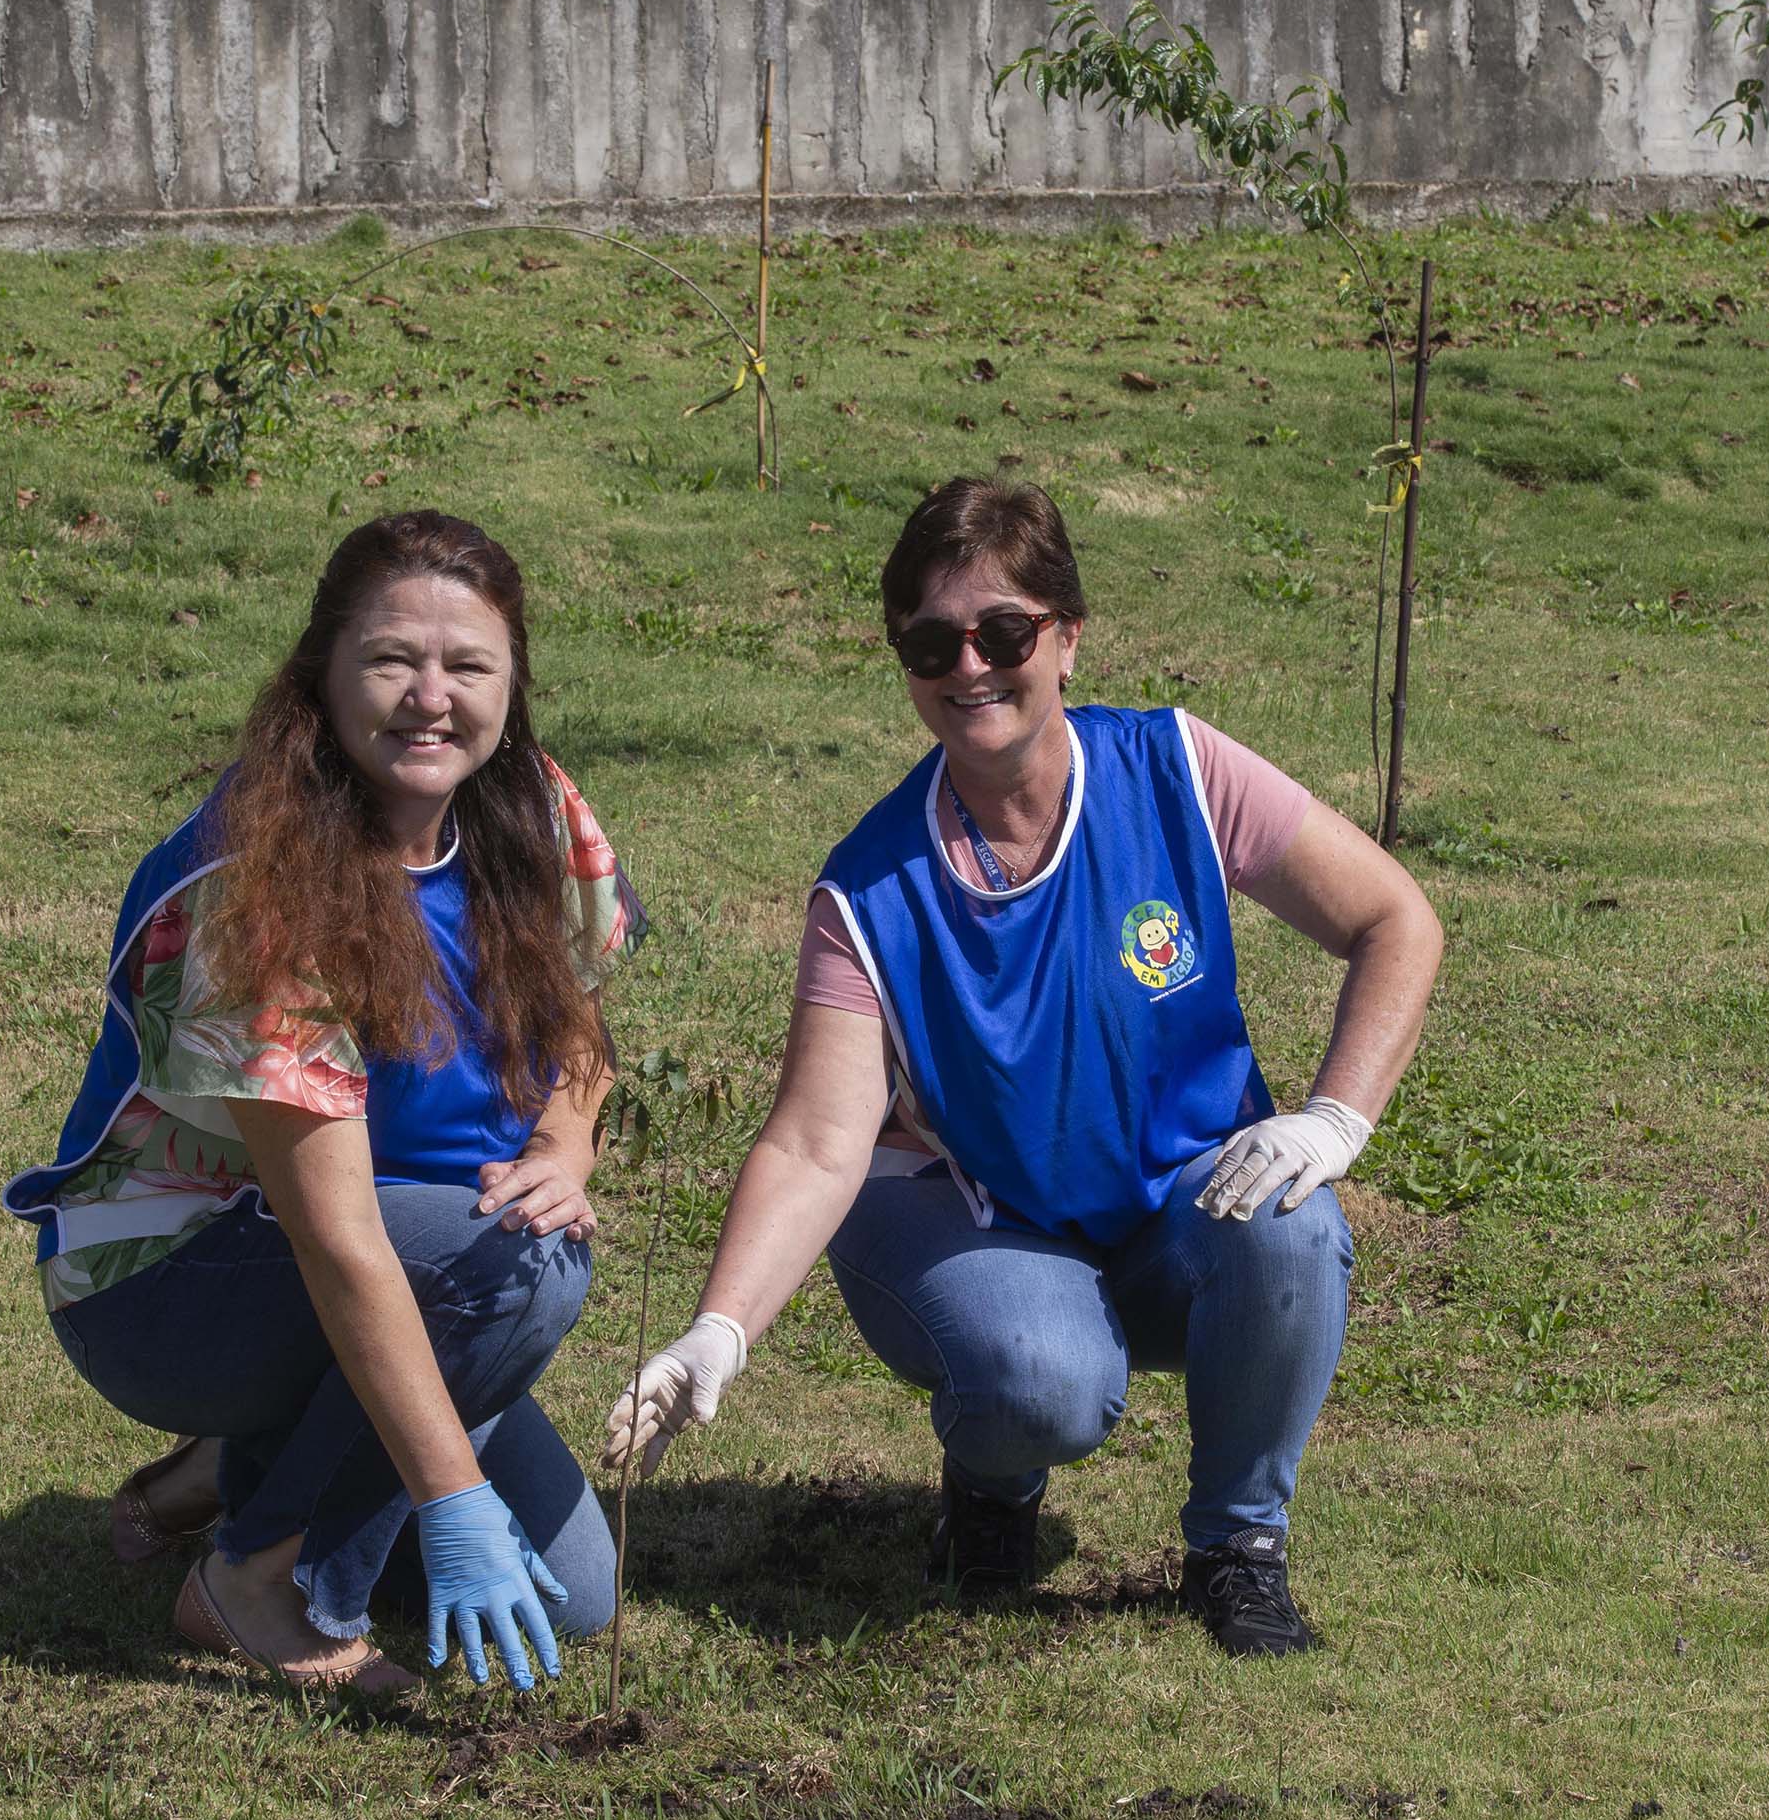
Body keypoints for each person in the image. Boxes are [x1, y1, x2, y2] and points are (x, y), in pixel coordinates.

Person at [604, 478, 1440, 1658]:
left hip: (1172, 1204)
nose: (970, 666)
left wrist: (1335, 1119)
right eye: (931, 642)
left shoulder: (1176, 767)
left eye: (1003, 632)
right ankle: (994, 1479)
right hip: (971, 1216)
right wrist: (718, 1331)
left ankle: (1238, 1545)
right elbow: (816, 1139)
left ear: (1068, 636)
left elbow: (1395, 918)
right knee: (1041, 1379)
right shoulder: (870, 890)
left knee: (1292, 1226)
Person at [7, 511, 644, 1694]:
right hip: (177, 1285)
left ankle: (233, 1467)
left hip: (423, 1258)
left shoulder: (532, 807)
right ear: (322, 671)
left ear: (514, 682)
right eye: (391, 659)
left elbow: (581, 1022)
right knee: (519, 1266)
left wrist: (565, 1142)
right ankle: (259, 1576)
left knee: (583, 1589)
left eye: (469, 666)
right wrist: (449, 1493)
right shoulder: (261, 887)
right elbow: (338, 1235)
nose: (431, 698)